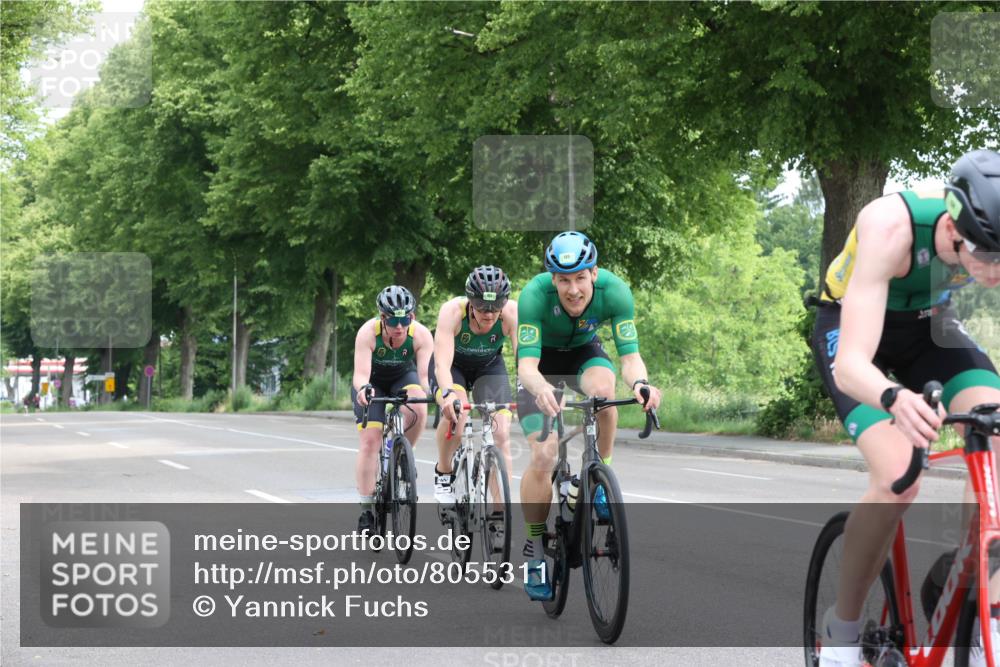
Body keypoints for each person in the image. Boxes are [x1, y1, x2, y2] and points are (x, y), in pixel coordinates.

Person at [813, 150, 1000, 667]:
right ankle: (843, 630)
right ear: (954, 227)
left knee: (997, 428)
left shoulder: (987, 243)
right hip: (850, 329)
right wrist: (895, 399)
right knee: (900, 472)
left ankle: (980, 587)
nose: (996, 274)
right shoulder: (889, 227)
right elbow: (852, 365)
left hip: (931, 327)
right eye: (989, 259)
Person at [515, 230, 662, 601]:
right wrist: (541, 388)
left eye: (580, 277)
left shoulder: (616, 291)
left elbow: (629, 358)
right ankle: (534, 552)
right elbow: (526, 367)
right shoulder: (534, 295)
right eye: (564, 280)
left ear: (594, 273)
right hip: (541, 369)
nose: (573, 289)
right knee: (544, 455)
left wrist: (642, 384)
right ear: (553, 279)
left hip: (584, 355)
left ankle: (599, 475)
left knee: (605, 393)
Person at [430, 265, 518, 505]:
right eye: (481, 307)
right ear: (470, 301)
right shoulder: (452, 312)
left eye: (495, 307)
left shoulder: (512, 313)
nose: (489, 314)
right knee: (457, 418)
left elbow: (525, 359)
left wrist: (532, 390)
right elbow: (442, 366)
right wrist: (448, 394)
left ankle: (501, 514)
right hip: (453, 368)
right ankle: (444, 472)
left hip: (488, 367)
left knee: (500, 434)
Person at [351, 285, 433, 535]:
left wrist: (433, 393)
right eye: (394, 320)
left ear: (413, 317)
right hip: (372, 381)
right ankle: (366, 509)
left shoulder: (420, 335)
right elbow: (360, 375)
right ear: (382, 318)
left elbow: (423, 377)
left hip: (402, 376)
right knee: (369, 442)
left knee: (418, 404)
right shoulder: (367, 333)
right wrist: (364, 389)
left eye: (405, 319)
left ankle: (405, 454)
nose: (400, 326)